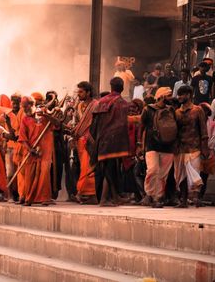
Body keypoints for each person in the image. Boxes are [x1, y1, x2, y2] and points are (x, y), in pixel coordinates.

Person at [90, 77, 131, 206]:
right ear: (122, 87)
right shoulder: (122, 103)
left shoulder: (100, 102)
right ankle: (104, 199)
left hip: (101, 140)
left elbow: (93, 125)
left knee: (108, 169)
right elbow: (122, 124)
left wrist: (97, 139)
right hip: (114, 141)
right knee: (110, 170)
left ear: (111, 86)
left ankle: (113, 197)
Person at [137, 87, 177, 208]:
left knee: (163, 175)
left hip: (168, 147)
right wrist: (139, 144)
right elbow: (141, 127)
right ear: (162, 96)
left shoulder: (171, 110)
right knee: (153, 170)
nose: (171, 98)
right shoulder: (148, 109)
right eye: (168, 95)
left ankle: (158, 197)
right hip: (151, 145)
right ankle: (149, 194)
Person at [18, 96, 60, 206]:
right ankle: (29, 198)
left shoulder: (44, 113)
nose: (24, 110)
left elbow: (57, 124)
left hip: (45, 150)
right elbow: (22, 138)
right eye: (23, 107)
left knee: (44, 173)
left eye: (26, 107)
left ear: (32, 104)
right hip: (31, 151)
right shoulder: (25, 119)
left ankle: (44, 198)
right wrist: (30, 149)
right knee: (30, 175)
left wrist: (45, 115)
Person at [174, 85, 209, 208]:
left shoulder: (197, 110)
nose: (179, 97)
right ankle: (183, 201)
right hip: (180, 148)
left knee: (195, 175)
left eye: (181, 95)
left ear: (188, 95)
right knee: (182, 175)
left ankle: (197, 199)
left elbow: (204, 131)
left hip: (195, 147)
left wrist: (205, 148)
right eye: (178, 95)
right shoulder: (177, 112)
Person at [72, 81, 98, 204]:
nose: (79, 94)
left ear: (88, 92)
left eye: (81, 92)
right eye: (78, 92)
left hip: (91, 142)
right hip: (80, 141)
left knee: (89, 168)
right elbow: (77, 124)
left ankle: (86, 193)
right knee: (83, 167)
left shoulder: (95, 105)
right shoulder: (78, 106)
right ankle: (86, 194)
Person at [198, 103, 215, 202]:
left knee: (204, 176)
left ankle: (200, 197)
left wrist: (206, 148)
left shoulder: (213, 124)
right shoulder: (196, 123)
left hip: (208, 152)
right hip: (196, 151)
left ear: (206, 112)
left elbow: (213, 138)